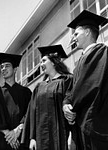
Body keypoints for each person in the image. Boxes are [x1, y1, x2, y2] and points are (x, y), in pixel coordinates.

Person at [63, 10, 108, 150]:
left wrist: (72, 106)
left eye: (76, 34)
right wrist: (66, 105)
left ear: (88, 32)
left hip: (98, 126)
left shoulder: (104, 54)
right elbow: (71, 91)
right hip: (80, 126)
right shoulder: (79, 63)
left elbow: (88, 87)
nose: (73, 38)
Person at [21, 45, 73, 150]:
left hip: (62, 136)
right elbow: (32, 112)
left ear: (53, 62)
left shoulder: (67, 80)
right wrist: (32, 138)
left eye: (44, 61)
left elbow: (73, 106)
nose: (41, 64)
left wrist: (72, 134)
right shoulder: (39, 87)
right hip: (41, 138)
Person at [0, 53, 32, 150]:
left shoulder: (26, 92)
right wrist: (8, 134)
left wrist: (18, 129)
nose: (3, 69)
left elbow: (30, 112)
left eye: (7, 66)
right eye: (2, 67)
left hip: (21, 139)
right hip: (1, 139)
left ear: (15, 69)